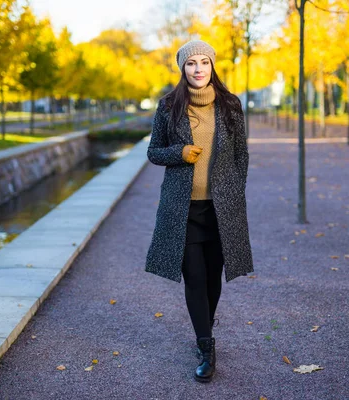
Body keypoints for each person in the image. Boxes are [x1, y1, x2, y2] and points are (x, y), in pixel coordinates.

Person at [145, 39, 254, 383]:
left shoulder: (231, 105)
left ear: (212, 66)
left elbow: (241, 156)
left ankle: (205, 324)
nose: (197, 69)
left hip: (221, 209)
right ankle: (206, 347)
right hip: (183, 210)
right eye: (191, 63)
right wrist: (179, 152)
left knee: (212, 278)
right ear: (182, 68)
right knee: (193, 277)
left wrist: (235, 193)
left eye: (203, 62)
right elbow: (153, 152)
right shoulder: (168, 107)